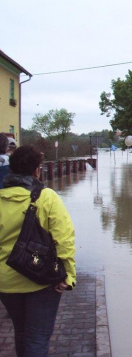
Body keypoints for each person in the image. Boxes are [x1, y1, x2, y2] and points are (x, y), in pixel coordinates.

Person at [0, 145, 76, 356]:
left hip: (6, 282)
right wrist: (68, 275)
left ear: (12, 169)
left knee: (21, 332)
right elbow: (64, 239)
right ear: (37, 170)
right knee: (37, 338)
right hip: (42, 279)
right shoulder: (46, 197)